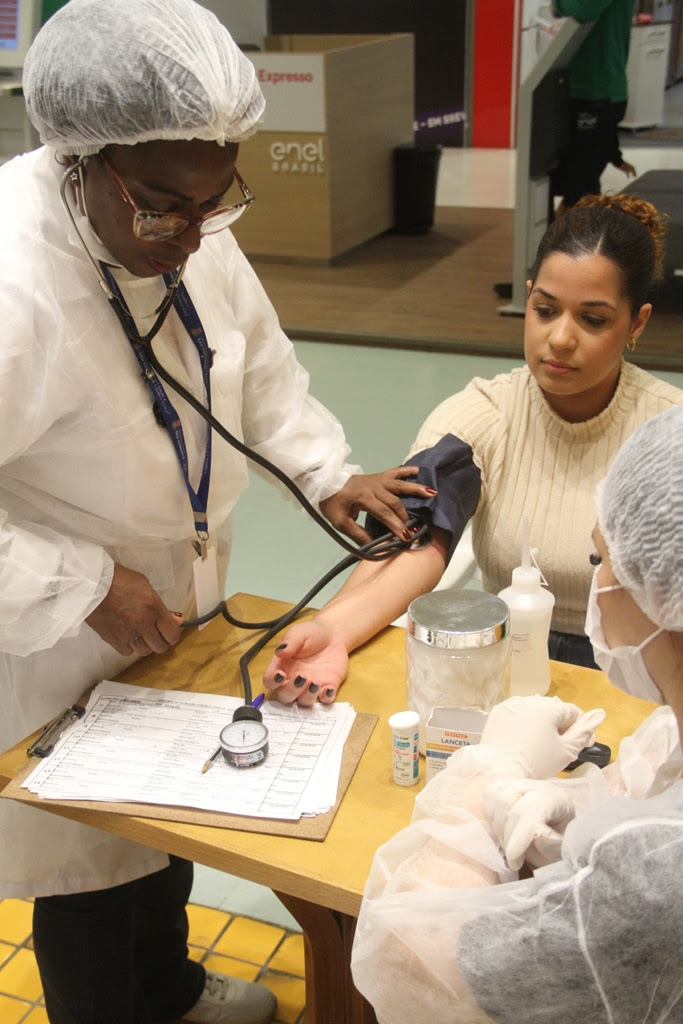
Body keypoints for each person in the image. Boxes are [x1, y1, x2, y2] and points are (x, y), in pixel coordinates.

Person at [0, 1, 433, 1022]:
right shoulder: (14, 285)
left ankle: (175, 987)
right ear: (86, 159)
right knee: (90, 870)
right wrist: (86, 586)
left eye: (216, 198)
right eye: (164, 208)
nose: (194, 235)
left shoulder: (178, 218)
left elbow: (258, 364)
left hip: (175, 579)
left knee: (172, 820)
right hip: (51, 622)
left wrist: (328, 467)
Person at [262, 192, 682, 707]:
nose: (561, 338)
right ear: (527, 298)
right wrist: (333, 630)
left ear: (637, 323)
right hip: (512, 663)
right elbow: (415, 543)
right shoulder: (482, 416)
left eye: (593, 320)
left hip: (641, 677)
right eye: (545, 310)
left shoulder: (667, 434)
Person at [350, 401, 683, 1023]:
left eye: (600, 561)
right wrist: (587, 809)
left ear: (663, 592)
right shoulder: (671, 731)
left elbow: (411, 966)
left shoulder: (658, 881)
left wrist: (485, 776)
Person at [551, 0, 637, 212]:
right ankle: (563, 237)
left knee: (580, 188)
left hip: (596, 91)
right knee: (575, 183)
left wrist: (558, 5)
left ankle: (575, 241)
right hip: (590, 89)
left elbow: (584, 8)